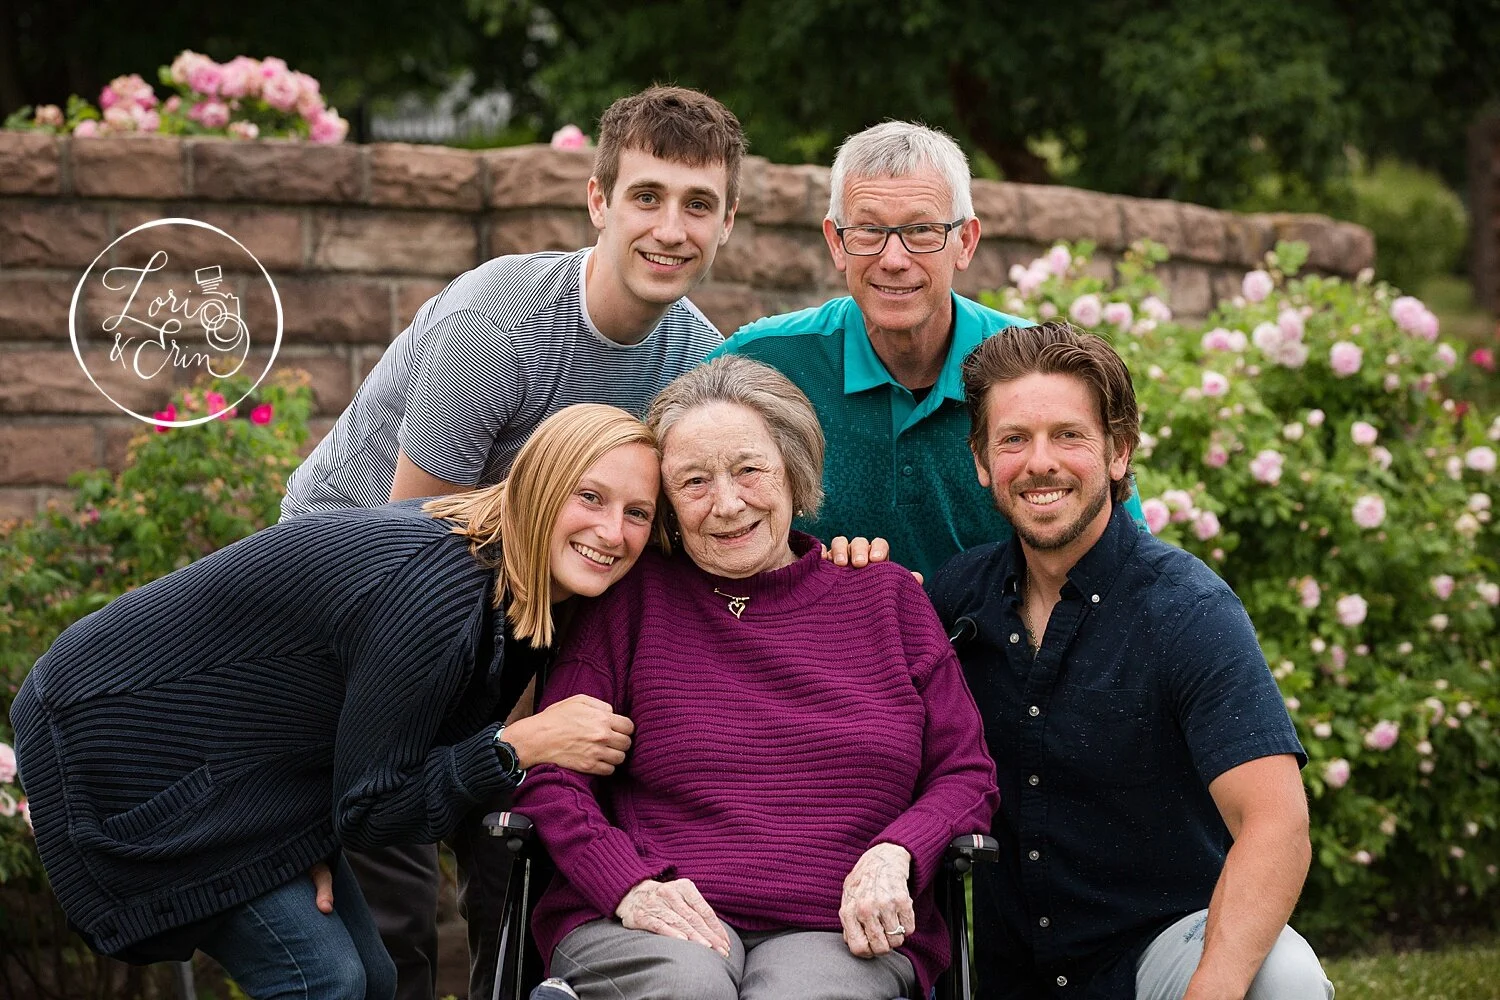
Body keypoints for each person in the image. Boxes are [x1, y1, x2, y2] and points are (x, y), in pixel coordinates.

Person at [278, 84, 747, 1000]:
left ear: (727, 223)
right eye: (646, 196)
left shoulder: (697, 365)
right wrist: (517, 723)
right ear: (598, 200)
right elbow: (411, 552)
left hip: (507, 627)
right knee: (394, 915)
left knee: (519, 875)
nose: (671, 228)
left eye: (699, 205)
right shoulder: (497, 326)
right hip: (356, 611)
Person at [10, 405, 665, 1000]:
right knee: (322, 979)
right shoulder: (441, 591)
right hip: (113, 740)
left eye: (637, 513)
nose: (612, 532)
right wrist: (518, 746)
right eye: (590, 497)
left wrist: (297, 834)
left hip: (243, 766)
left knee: (371, 978)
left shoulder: (515, 584)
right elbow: (373, 808)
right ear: (540, 485)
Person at [512, 355, 1000, 1000]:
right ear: (668, 505)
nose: (727, 504)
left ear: (793, 472)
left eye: (749, 470)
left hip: (836, 926)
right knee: (687, 988)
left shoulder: (886, 597)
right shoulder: (631, 599)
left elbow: (966, 772)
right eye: (694, 482)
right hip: (651, 911)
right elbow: (553, 775)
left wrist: (900, 852)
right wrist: (625, 883)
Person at [928, 321, 1333, 999]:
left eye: (1068, 435)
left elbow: (1276, 824)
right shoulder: (956, 600)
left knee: (1283, 977)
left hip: (1164, 961)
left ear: (1119, 452)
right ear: (981, 461)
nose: (1039, 462)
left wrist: (1212, 988)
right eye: (1014, 440)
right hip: (1007, 978)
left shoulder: (1189, 610)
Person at [713, 122, 1145, 580]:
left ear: (966, 242)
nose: (894, 259)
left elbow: (1126, 556)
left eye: (922, 230)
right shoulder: (760, 362)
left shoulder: (1042, 371)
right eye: (868, 230)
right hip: (819, 626)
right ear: (837, 243)